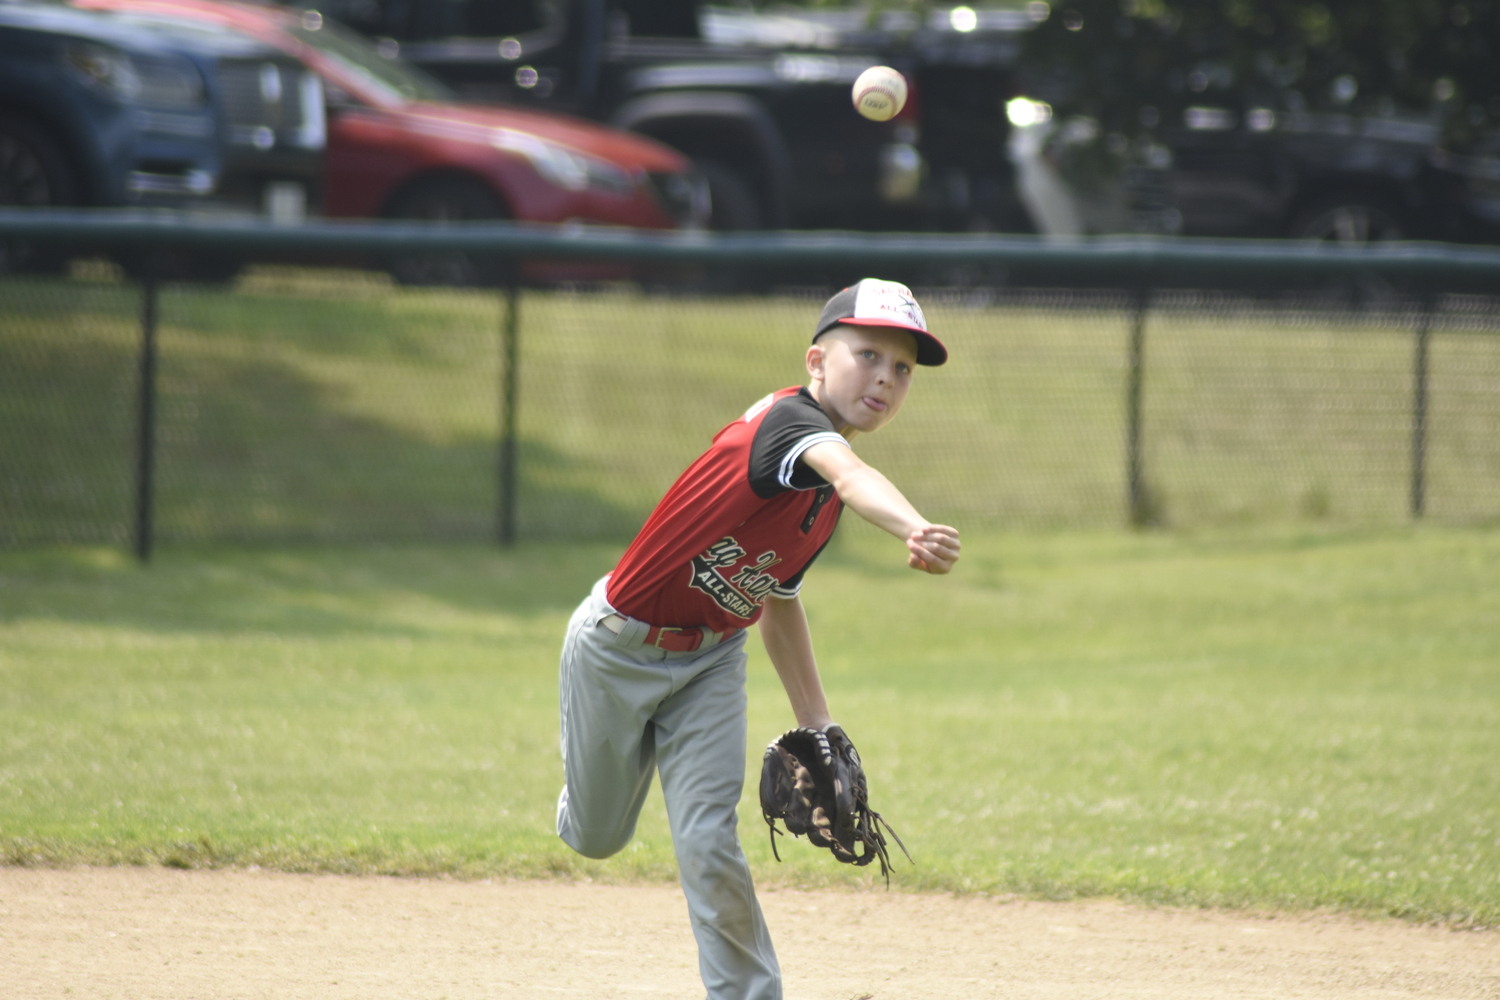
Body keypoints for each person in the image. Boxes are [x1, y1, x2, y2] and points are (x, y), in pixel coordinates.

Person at [554, 278, 961, 1000]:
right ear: (815, 361)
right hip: (617, 648)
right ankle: (588, 789)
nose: (885, 378)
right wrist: (912, 527)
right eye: (867, 353)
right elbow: (852, 473)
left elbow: (776, 600)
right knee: (595, 837)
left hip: (711, 660)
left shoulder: (816, 504)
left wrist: (818, 721)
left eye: (902, 368)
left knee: (709, 843)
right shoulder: (790, 425)